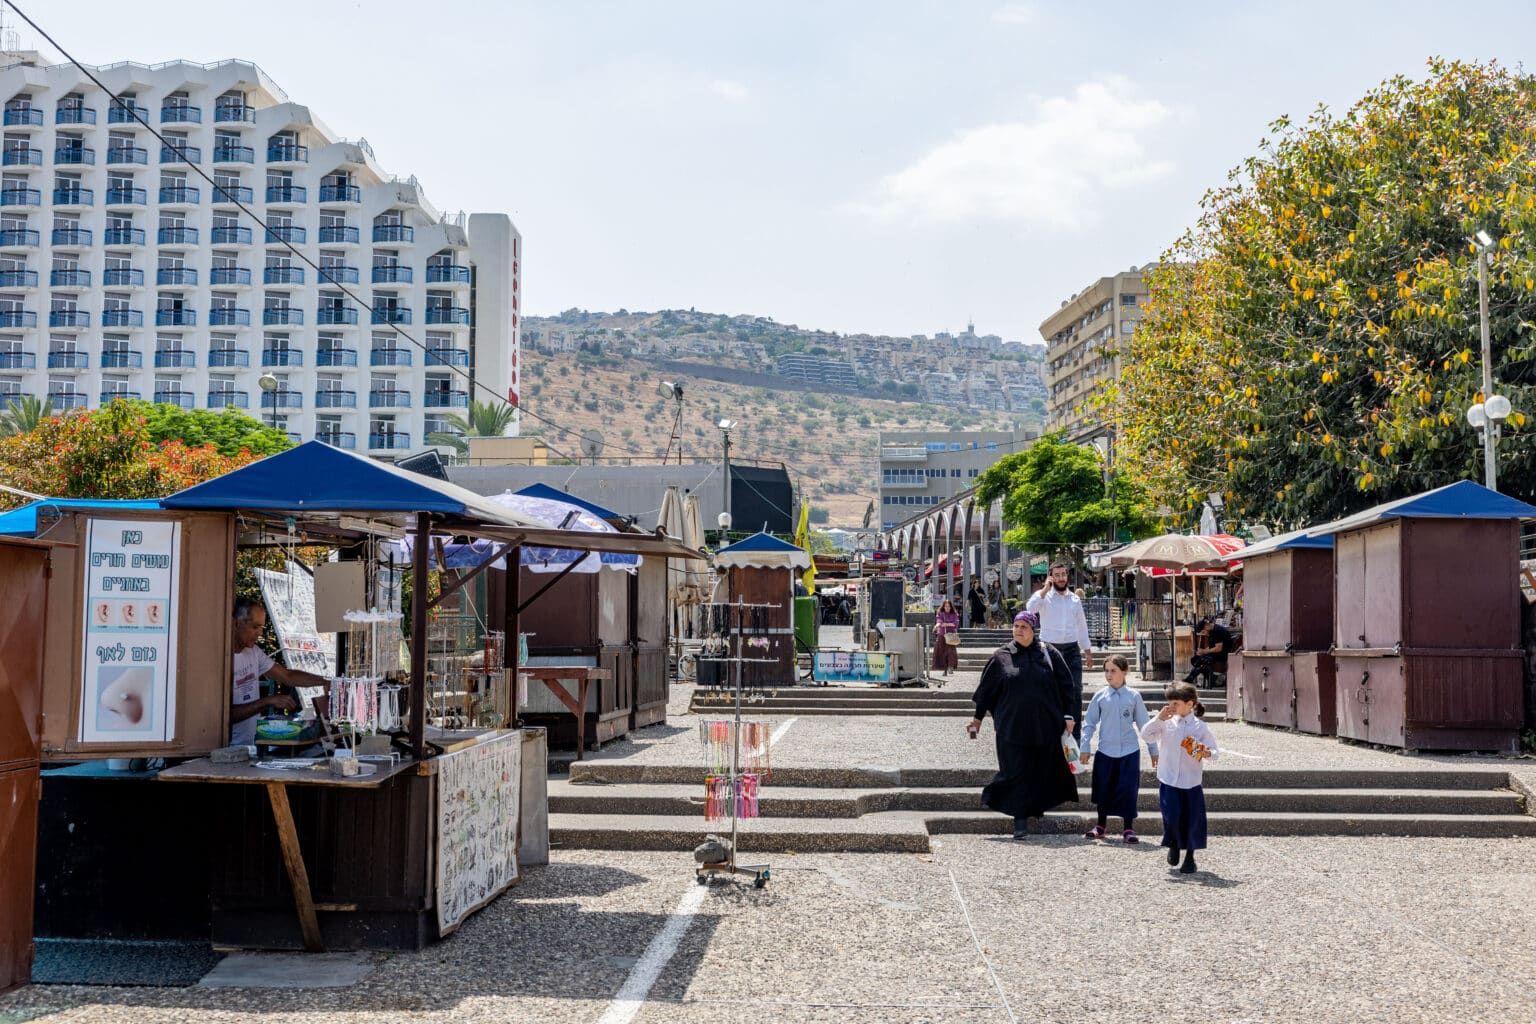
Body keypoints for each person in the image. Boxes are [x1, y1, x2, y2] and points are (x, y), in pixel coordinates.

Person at [966, 610, 1077, 840]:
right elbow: (986, 692)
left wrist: (1068, 715)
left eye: (1023, 626)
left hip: (1045, 725)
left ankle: (1033, 809)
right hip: (1011, 726)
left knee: (1040, 769)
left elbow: (1067, 685)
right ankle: (1020, 821)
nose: (1018, 630)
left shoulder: (1049, 653)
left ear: (1033, 629)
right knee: (1015, 771)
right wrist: (977, 719)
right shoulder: (1001, 656)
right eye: (1016, 626)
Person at [230, 596, 331, 746]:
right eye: (255, 627)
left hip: (251, 746)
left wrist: (323, 680)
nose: (259, 633)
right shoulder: (223, 660)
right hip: (230, 749)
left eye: (261, 628)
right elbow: (226, 715)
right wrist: (268, 701)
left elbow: (287, 676)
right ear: (237, 623)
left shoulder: (254, 653)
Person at [1140, 681, 1219, 874]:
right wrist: (1158, 718)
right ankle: (1173, 843)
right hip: (1168, 779)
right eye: (1170, 703)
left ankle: (1190, 857)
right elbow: (1146, 735)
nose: (1171, 707)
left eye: (1176, 703)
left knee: (1193, 820)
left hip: (1190, 781)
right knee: (1171, 815)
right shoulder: (1166, 723)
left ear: (1189, 704)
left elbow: (1215, 751)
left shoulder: (1200, 727)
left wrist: (1206, 752)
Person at [1079, 654, 1158, 843]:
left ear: (1124, 672)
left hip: (1129, 751)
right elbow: (1089, 723)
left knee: (1128, 789)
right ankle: (1100, 826)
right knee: (1103, 788)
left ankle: (1128, 828)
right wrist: (1085, 745)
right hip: (1105, 750)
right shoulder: (1100, 696)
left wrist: (1153, 750)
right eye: (1106, 670)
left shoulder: (1133, 696)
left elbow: (1144, 725)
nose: (1109, 674)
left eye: (1113, 670)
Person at [1026, 561, 1093, 740]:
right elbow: (1029, 609)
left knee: (1075, 690)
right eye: (1057, 575)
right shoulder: (1043, 597)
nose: (1061, 578)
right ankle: (1048, 733)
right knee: (1047, 689)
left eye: (1063, 574)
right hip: (1049, 649)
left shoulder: (1075, 599)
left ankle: (1075, 737)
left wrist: (1087, 650)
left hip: (1071, 650)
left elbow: (1081, 625)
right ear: (1051, 577)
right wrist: (1044, 589)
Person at [1186, 616, 1235, 688]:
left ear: (1206, 627)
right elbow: (1212, 646)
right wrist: (1202, 651)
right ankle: (1212, 679)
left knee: (1203, 660)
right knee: (1195, 659)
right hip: (1215, 653)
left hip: (1222, 654)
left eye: (1203, 631)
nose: (1204, 634)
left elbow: (1218, 648)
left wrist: (1204, 652)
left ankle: (1190, 678)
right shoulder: (1211, 631)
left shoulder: (1218, 631)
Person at [932, 598, 961, 676]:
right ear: (943, 607)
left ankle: (950, 667)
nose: (947, 608)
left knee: (951, 652)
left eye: (949, 606)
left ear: (951, 607)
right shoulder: (940, 613)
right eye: (946, 606)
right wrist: (936, 626)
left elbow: (955, 623)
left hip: (951, 636)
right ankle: (944, 669)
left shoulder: (954, 614)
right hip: (942, 635)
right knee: (942, 652)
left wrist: (946, 624)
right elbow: (939, 621)